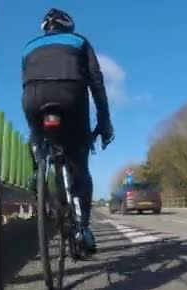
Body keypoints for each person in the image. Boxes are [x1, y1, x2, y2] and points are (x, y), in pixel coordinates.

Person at [22, 8, 114, 254]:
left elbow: (26, 81)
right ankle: (83, 228)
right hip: (70, 100)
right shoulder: (80, 41)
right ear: (68, 26)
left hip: (34, 101)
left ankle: (37, 166)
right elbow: (96, 81)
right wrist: (104, 122)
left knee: (38, 137)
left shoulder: (29, 46)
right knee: (79, 164)